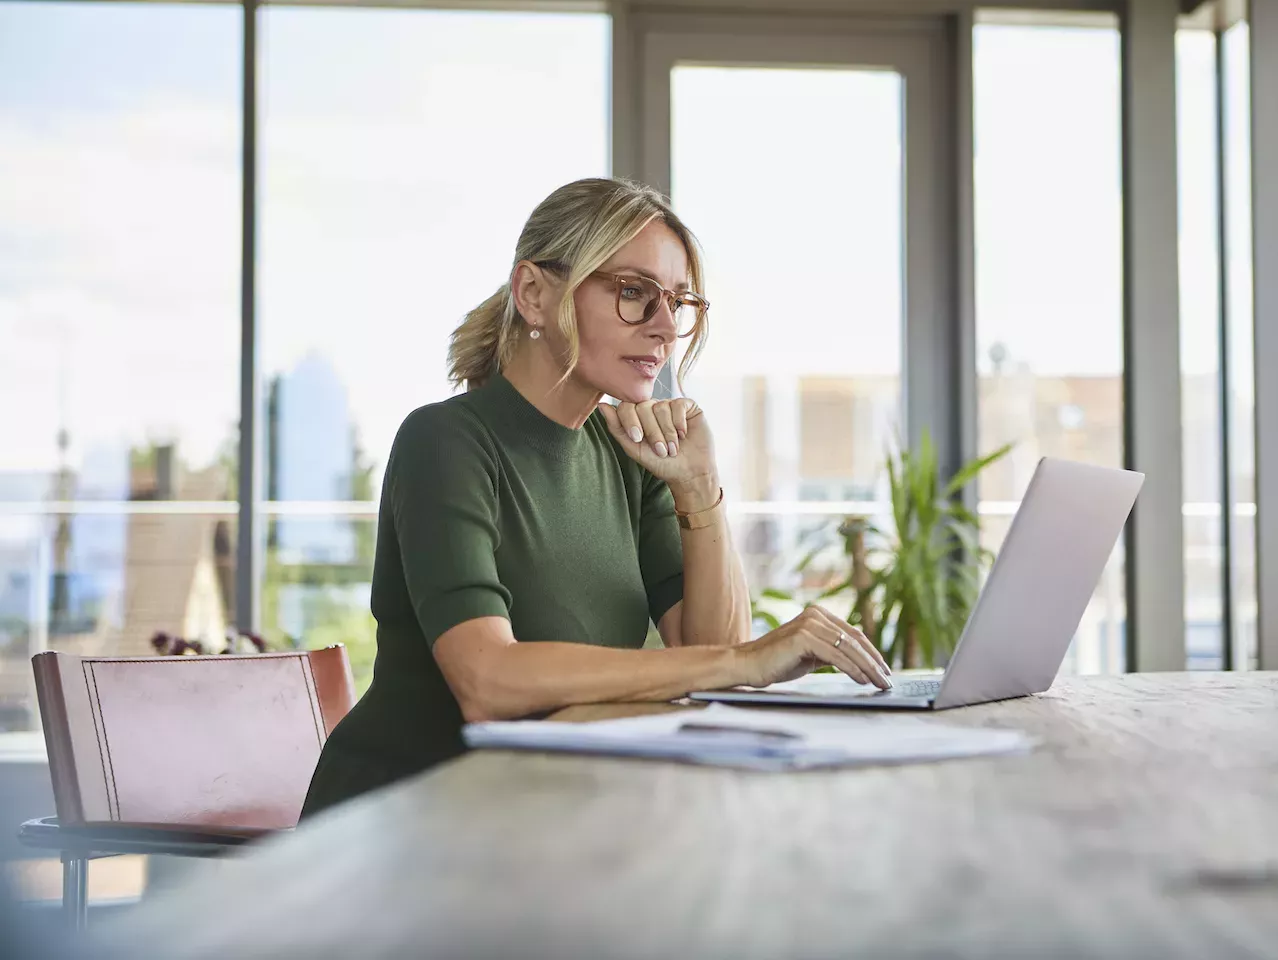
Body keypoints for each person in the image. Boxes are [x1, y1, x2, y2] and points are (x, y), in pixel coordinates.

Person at [301, 178, 892, 817]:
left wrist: (698, 488)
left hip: (553, 809)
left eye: (678, 301)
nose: (666, 327)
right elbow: (487, 681)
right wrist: (746, 659)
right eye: (634, 293)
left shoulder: (625, 451)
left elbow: (711, 651)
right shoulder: (445, 441)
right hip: (407, 818)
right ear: (533, 293)